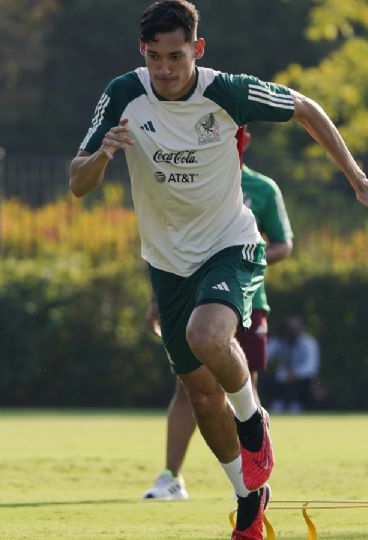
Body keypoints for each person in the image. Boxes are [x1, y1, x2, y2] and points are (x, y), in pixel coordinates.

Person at [70, 2, 368, 537]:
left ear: (197, 50)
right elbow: (77, 182)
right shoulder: (122, 94)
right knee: (202, 395)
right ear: (143, 52)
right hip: (166, 263)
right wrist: (103, 156)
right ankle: (248, 497)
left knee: (207, 335)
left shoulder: (226, 90)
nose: (165, 69)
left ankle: (253, 420)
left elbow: (305, 108)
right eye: (155, 57)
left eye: (176, 56)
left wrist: (358, 178)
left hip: (232, 244)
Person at [142, 126, 294, 501]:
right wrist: (156, 299)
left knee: (247, 392)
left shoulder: (262, 188)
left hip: (247, 299)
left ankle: (254, 478)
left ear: (242, 140)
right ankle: (170, 477)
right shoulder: (186, 183)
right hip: (192, 297)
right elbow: (168, 246)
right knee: (190, 388)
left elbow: (283, 245)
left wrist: (243, 255)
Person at [266, 316, 319, 413]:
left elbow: (311, 367)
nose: (292, 333)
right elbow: (265, 356)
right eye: (289, 329)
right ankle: (278, 404)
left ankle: (297, 404)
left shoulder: (309, 343)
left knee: (304, 382)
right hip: (281, 382)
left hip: (301, 382)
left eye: (294, 329)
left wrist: (295, 374)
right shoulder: (279, 342)